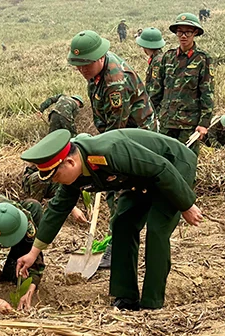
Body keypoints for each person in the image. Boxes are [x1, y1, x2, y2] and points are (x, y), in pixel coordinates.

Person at [16, 129, 203, 310]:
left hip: (173, 167)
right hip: (140, 179)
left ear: (70, 162)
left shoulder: (109, 152)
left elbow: (161, 167)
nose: (56, 182)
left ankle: (151, 302)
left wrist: (186, 204)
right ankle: (126, 297)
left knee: (157, 229)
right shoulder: (75, 174)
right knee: (122, 224)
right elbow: (57, 209)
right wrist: (33, 253)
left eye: (56, 176)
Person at [67, 29, 154, 268]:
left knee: (119, 190)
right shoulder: (95, 73)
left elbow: (117, 130)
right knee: (113, 187)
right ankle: (118, 239)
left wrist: (99, 156)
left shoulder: (116, 82)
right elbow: (103, 120)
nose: (82, 70)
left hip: (136, 138)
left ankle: (119, 245)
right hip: (116, 134)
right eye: (78, 65)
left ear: (99, 57)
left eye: (86, 65)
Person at [149, 13, 214, 156]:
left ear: (195, 33)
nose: (183, 36)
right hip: (166, 122)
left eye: (188, 32)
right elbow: (157, 90)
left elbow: (207, 93)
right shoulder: (168, 57)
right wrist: (149, 116)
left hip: (188, 125)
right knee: (162, 159)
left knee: (186, 161)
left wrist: (203, 123)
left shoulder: (202, 59)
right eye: (180, 32)